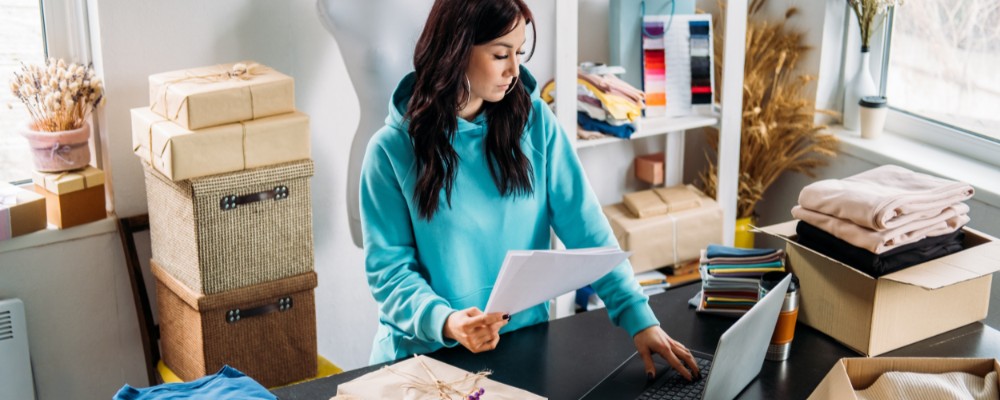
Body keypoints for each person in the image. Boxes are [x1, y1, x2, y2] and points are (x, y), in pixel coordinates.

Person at [359, 0, 700, 381]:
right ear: (455, 48)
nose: (514, 70)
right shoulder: (389, 151)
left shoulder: (536, 123)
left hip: (521, 348)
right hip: (423, 360)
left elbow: (588, 231)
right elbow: (390, 274)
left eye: (519, 53)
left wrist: (640, 319)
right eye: (500, 54)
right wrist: (448, 322)